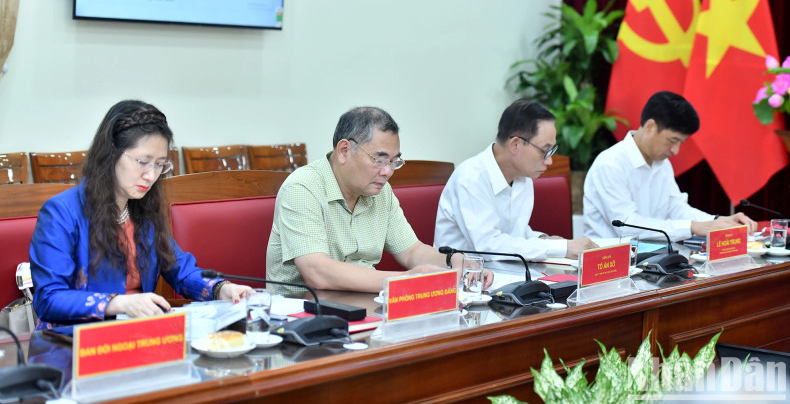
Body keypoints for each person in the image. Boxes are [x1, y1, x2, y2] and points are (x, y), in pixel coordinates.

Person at [29, 100, 249, 328]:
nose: (151, 176)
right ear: (110, 155)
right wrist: (119, 303)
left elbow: (181, 270)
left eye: (160, 165)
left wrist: (221, 288)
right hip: (73, 344)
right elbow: (49, 298)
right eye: (143, 162)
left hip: (135, 337)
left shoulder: (141, 210)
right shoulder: (62, 212)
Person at [266, 106, 494, 295]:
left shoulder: (380, 192)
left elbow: (412, 252)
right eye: (379, 160)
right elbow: (317, 272)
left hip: (361, 305)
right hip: (301, 314)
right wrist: (404, 280)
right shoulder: (303, 187)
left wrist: (455, 260)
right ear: (344, 150)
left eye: (395, 162)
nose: (388, 172)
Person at [433, 99, 597, 261]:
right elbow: (490, 247)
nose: (549, 161)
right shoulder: (471, 178)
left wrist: (544, 240)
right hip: (463, 281)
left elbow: (514, 234)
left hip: (506, 274)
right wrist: (561, 248)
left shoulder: (523, 177)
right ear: (515, 145)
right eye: (544, 151)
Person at [583, 91, 757, 241]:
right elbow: (627, 226)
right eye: (672, 141)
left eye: (681, 143)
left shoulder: (662, 163)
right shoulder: (610, 164)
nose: (675, 151)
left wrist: (719, 221)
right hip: (608, 266)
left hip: (652, 259)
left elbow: (676, 208)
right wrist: (692, 227)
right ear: (650, 127)